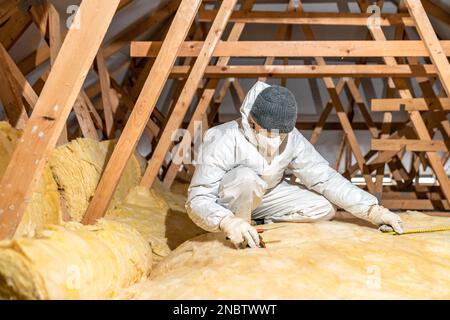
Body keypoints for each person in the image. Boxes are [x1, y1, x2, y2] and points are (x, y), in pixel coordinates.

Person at [186, 81, 403, 248]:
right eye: (269, 132)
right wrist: (226, 221)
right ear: (252, 122)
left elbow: (323, 177)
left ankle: (258, 220)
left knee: (324, 208)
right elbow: (198, 198)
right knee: (246, 178)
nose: (276, 139)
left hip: (267, 195)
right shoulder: (222, 138)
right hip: (231, 198)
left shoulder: (292, 139)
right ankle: (239, 232)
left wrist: (373, 210)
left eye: (282, 134)